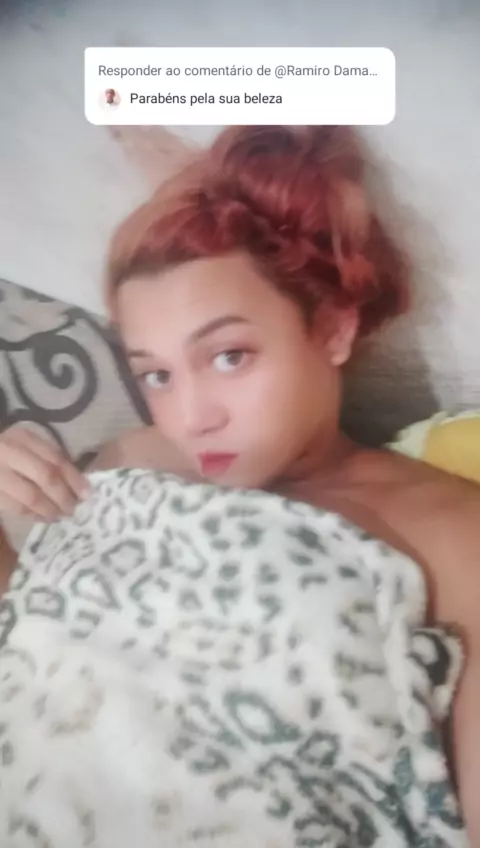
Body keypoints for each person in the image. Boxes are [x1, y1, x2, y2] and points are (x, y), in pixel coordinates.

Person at [0, 125, 479, 842]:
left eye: (229, 356)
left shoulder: (451, 530)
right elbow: (35, 655)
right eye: (156, 375)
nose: (193, 418)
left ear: (333, 329)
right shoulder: (134, 460)